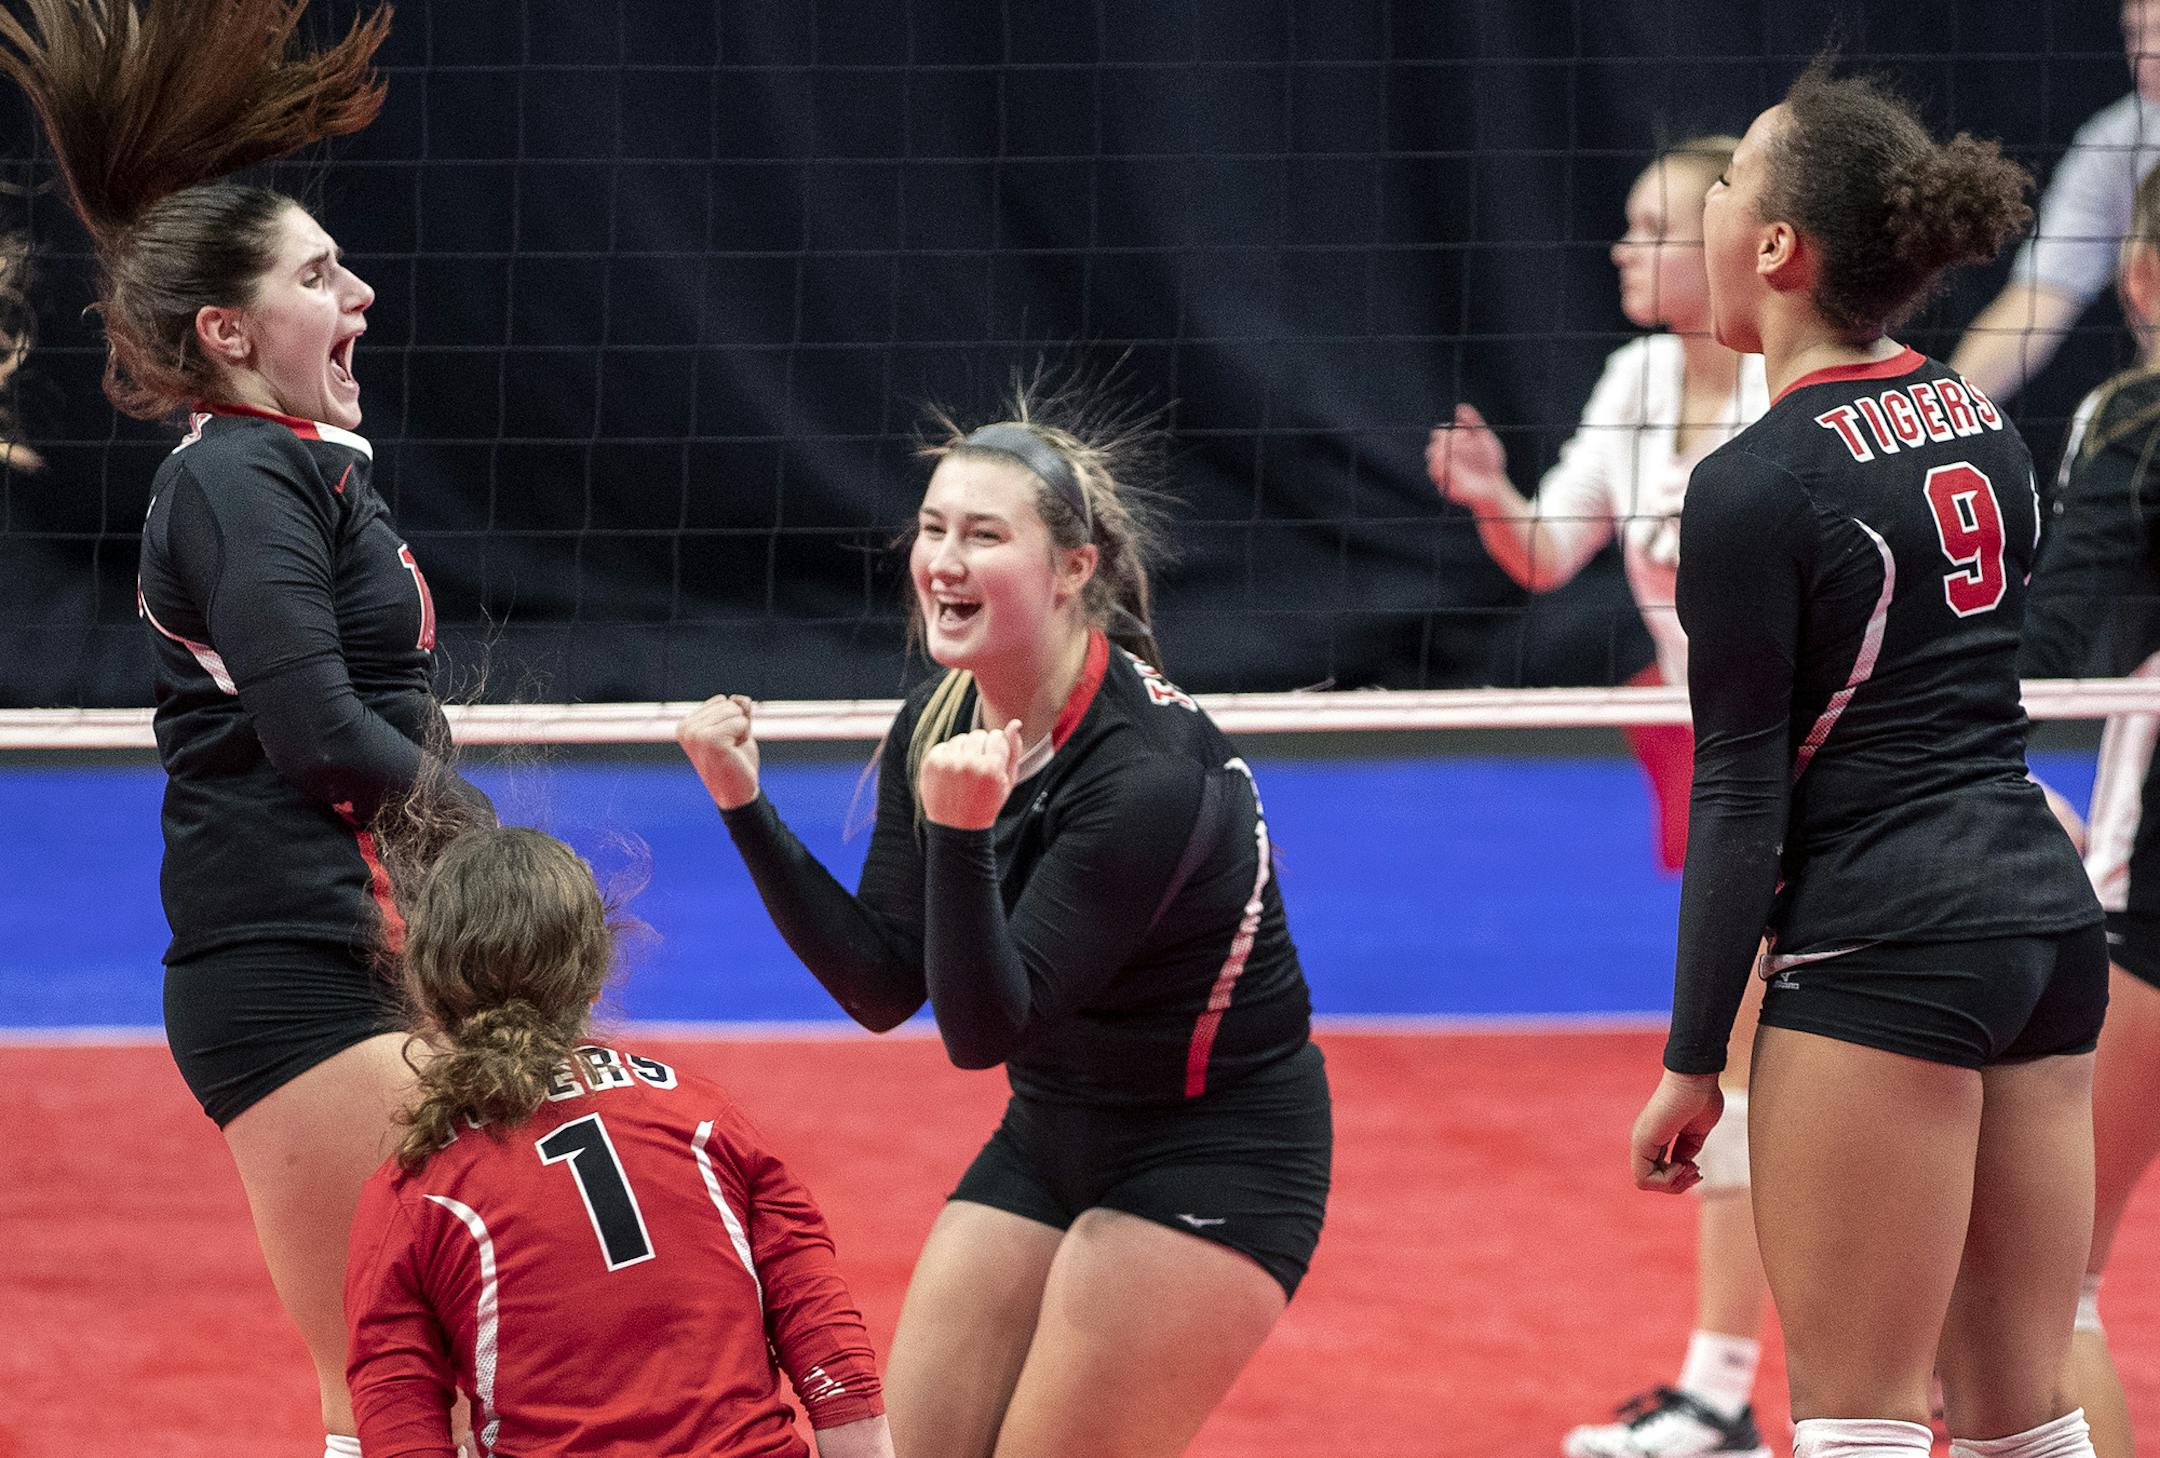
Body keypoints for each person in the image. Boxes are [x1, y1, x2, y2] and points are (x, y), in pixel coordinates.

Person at [0, 5, 492, 1453]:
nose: (362, 294)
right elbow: (322, 734)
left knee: (456, 1376)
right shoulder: (234, 479)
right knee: (400, 1387)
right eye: (319, 275)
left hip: (366, 950)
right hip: (296, 973)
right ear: (228, 330)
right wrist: (492, 842)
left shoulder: (296, 468)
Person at [677, 386, 1332, 1458]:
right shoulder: (939, 715)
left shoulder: (1148, 776)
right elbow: (886, 986)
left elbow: (983, 1032)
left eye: (984, 535)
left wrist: (964, 834)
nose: (944, 561)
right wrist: (744, 807)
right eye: (932, 529)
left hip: (1215, 1152)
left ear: (1073, 568)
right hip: (1050, 1133)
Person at [1628, 58, 2108, 1458]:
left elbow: (1740, 791)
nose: (1711, 200)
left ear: (1778, 246)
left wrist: (1693, 1060)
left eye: (1728, 180)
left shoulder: (1753, 483)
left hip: (1887, 944)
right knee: (2027, 1414)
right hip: (2042, 923)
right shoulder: (1979, 419)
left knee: (1861, 1421)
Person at [1430, 137, 1776, 1458]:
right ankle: (1752, 1385)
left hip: (1813, 756)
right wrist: (1489, 496)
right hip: (1713, 750)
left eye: (1654, 228)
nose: (1626, 249)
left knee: (1754, 1068)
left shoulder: (1792, 386)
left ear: (1741, 246)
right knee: (1754, 1068)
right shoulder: (1637, 379)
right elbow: (1543, 552)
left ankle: (1725, 1394)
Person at [344, 825, 893, 1457]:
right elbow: (828, 1345)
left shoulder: (415, 1192)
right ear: (595, 974)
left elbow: (398, 1419)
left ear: (425, 989)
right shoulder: (704, 1120)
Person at [2018, 159, 2160, 1458]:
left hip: (2153, 902)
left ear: (2141, 279)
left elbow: (2053, 648)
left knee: (2055, 1285)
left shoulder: (2135, 420)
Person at [1950, 0, 2160, 404]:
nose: (2147, 53)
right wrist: (1946, 413)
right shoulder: (2115, 144)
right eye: (2135, 33)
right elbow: (2034, 304)